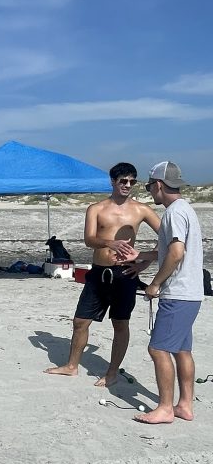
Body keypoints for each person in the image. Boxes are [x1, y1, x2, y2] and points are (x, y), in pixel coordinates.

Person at [44, 162, 161, 387]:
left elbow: (168, 235)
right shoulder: (96, 208)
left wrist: (142, 264)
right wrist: (110, 242)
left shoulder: (141, 209)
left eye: (132, 181)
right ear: (112, 181)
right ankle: (71, 366)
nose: (127, 185)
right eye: (123, 181)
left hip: (125, 274)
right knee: (80, 321)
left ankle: (112, 372)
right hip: (99, 273)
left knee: (120, 323)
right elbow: (89, 240)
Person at [131, 161, 204, 424]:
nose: (150, 190)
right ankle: (184, 404)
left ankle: (164, 408)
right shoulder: (186, 209)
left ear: (159, 185)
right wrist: (141, 255)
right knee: (182, 350)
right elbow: (170, 251)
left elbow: (176, 253)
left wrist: (155, 284)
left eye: (150, 185)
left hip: (178, 294)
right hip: (192, 293)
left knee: (158, 349)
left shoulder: (173, 212)